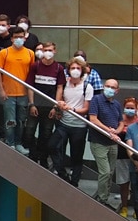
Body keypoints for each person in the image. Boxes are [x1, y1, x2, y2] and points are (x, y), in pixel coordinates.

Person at [0, 27, 36, 152]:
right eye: (16, 37)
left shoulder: (30, 53)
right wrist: (1, 90)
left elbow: (32, 74)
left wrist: (30, 96)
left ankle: (18, 143)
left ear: (25, 38)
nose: (19, 39)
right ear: (12, 38)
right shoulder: (4, 53)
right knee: (10, 120)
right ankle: (10, 142)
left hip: (23, 93)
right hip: (9, 93)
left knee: (21, 120)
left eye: (21, 37)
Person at [52, 58, 92, 184]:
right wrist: (60, 107)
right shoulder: (64, 83)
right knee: (52, 146)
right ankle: (62, 173)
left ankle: (74, 182)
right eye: (73, 68)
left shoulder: (87, 86)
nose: (75, 71)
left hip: (79, 126)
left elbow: (86, 109)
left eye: (78, 68)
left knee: (76, 156)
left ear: (82, 71)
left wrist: (72, 109)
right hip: (63, 123)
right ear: (68, 70)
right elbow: (59, 101)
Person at [26, 42, 64, 169]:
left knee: (46, 134)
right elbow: (30, 86)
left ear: (55, 51)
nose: (47, 52)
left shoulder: (59, 68)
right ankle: (33, 154)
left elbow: (59, 88)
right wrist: (31, 104)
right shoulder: (35, 66)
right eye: (45, 50)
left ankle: (43, 159)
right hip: (35, 105)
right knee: (29, 131)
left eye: (50, 50)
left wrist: (55, 106)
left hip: (49, 108)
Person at [88, 77, 125, 205]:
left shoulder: (117, 104)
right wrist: (108, 131)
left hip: (113, 143)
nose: (109, 89)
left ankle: (105, 196)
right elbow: (93, 119)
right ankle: (102, 199)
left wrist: (117, 131)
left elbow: (121, 122)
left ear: (117, 90)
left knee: (110, 172)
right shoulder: (96, 100)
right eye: (107, 86)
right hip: (99, 142)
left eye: (113, 87)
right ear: (104, 87)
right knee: (104, 172)